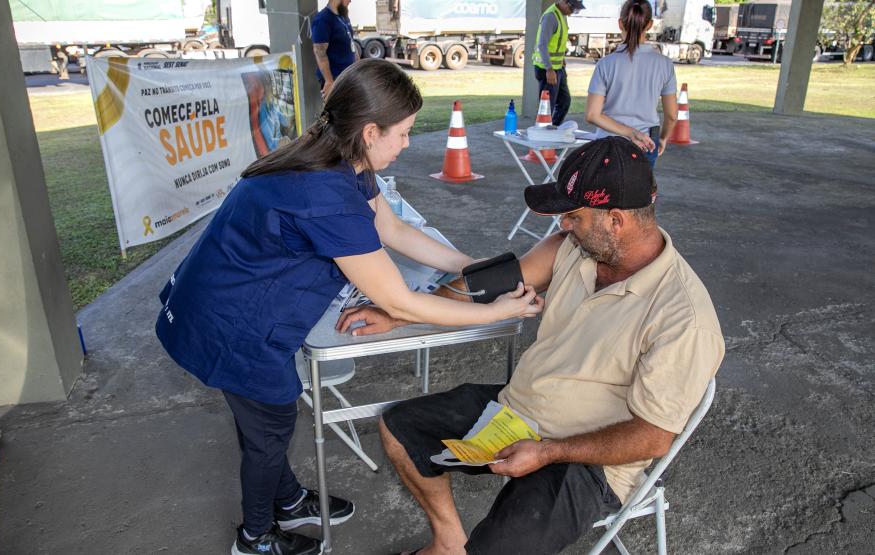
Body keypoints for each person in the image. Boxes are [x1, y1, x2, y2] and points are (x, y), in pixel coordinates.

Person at [154, 59, 543, 555]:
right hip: (228, 327)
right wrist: (495, 313)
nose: (406, 144)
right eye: (402, 134)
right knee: (268, 431)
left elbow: (393, 230)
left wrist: (469, 264)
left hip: (228, 304)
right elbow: (398, 299)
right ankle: (255, 538)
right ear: (370, 131)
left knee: (269, 423)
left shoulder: (341, 160)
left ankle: (290, 501)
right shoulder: (325, 193)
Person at [338, 137, 725, 555]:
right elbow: (491, 282)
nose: (563, 225)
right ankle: (448, 542)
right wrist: (402, 312)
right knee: (400, 428)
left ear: (616, 220)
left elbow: (651, 438)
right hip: (518, 412)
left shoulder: (684, 318)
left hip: (586, 462)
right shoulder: (576, 249)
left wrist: (547, 452)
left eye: (574, 216)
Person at [585, 0, 678, 167]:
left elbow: (592, 114)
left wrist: (629, 132)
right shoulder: (665, 64)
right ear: (649, 25)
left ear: (620, 24)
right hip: (647, 141)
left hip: (608, 143)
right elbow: (671, 115)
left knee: (605, 193)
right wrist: (662, 138)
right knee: (640, 192)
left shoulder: (605, 64)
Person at [532, 0, 585, 126]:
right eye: (572, 9)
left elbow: (556, 42)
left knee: (564, 102)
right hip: (547, 70)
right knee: (547, 108)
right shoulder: (551, 17)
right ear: (564, 2)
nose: (572, 13)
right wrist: (549, 69)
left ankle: (552, 129)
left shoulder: (562, 14)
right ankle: (543, 135)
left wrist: (561, 58)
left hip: (558, 67)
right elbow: (542, 44)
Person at [311, 0, 359, 98]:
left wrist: (359, 66)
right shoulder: (323, 19)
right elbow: (319, 52)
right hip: (335, 78)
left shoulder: (344, 17)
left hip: (348, 75)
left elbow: (351, 44)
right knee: (340, 111)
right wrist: (329, 81)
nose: (350, 0)